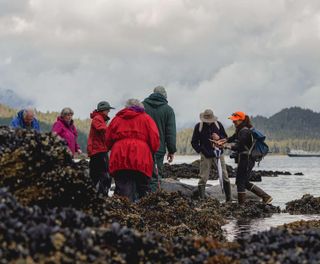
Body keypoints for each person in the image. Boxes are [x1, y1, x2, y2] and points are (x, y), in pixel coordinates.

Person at [106, 99, 160, 202]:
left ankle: (124, 211)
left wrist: (109, 147)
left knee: (123, 187)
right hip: (141, 155)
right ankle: (145, 211)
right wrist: (153, 150)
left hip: (120, 155)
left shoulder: (117, 119)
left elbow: (107, 139)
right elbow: (155, 138)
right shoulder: (146, 118)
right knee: (143, 188)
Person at [218, 111, 273, 205]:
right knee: (243, 182)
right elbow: (234, 137)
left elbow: (240, 146)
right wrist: (225, 140)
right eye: (233, 120)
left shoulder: (244, 131)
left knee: (240, 182)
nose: (233, 122)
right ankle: (265, 197)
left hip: (246, 159)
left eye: (235, 120)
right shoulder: (241, 129)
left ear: (241, 120)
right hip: (246, 158)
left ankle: (243, 204)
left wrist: (226, 146)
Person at [191, 109, 232, 201]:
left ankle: (229, 199)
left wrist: (219, 138)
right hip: (205, 155)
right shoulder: (199, 126)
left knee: (225, 175)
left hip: (219, 154)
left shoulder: (218, 124)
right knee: (203, 177)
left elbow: (225, 138)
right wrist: (201, 151)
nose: (208, 122)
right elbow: (194, 142)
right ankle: (202, 200)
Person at [142, 86, 177, 192]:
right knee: (156, 175)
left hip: (142, 147)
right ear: (164, 95)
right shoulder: (168, 110)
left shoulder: (142, 106)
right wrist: (171, 150)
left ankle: (141, 198)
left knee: (142, 173)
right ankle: (153, 198)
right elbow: (170, 133)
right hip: (158, 148)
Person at [87, 101, 114, 196]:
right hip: (99, 150)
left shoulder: (99, 118)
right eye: (108, 110)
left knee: (95, 175)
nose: (109, 112)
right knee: (105, 174)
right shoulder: (98, 118)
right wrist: (113, 130)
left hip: (97, 150)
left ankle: (92, 195)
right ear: (104, 110)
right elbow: (102, 129)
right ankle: (102, 195)